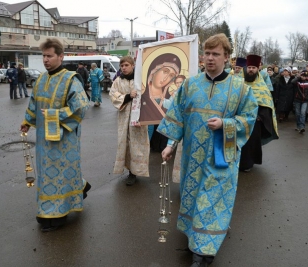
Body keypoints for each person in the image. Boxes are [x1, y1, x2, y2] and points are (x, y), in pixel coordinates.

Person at [157, 33, 258, 267]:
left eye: (216, 54)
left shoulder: (240, 88)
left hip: (222, 158)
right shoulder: (191, 84)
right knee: (193, 198)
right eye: (207, 53)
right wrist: (171, 144)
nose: (210, 58)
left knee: (212, 200)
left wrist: (226, 124)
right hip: (193, 157)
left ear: (227, 58)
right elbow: (178, 115)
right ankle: (196, 239)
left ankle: (204, 253)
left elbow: (250, 118)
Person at [19, 38, 90, 232]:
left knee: (60, 175)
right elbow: (34, 104)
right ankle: (52, 207)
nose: (45, 60)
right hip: (43, 140)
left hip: (64, 139)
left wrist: (57, 115)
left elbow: (81, 106)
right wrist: (27, 121)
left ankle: (58, 214)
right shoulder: (41, 79)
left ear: (61, 56)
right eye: (43, 56)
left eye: (49, 56)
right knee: (46, 176)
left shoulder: (71, 79)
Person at [109, 56, 150, 186]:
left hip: (138, 116)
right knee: (125, 143)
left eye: (126, 65)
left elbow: (149, 94)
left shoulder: (140, 80)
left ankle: (136, 171)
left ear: (133, 65)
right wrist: (127, 96)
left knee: (137, 143)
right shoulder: (118, 81)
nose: (124, 68)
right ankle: (129, 171)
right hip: (124, 116)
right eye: (122, 66)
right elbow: (113, 95)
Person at [239, 54, 279, 172]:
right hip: (238, 119)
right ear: (246, 68)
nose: (251, 70)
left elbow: (266, 103)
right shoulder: (238, 83)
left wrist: (260, 117)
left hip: (254, 121)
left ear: (258, 69)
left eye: (253, 68)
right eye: (249, 67)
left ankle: (248, 164)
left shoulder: (262, 86)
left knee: (250, 144)